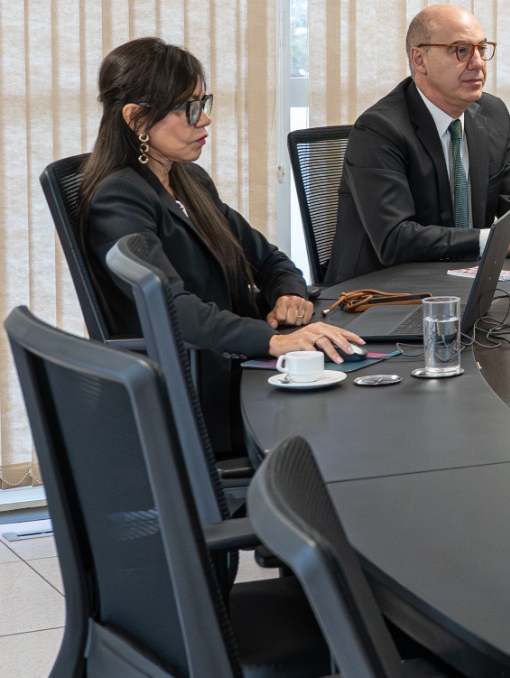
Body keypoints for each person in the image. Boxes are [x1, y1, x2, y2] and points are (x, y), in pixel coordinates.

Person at [81, 37, 362, 459]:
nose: (205, 118)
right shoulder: (118, 200)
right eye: (189, 108)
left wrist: (288, 293)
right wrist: (273, 341)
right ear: (137, 119)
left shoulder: (189, 181)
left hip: (232, 367)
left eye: (203, 102)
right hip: (195, 394)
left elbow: (269, 259)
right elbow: (172, 309)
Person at [325, 5, 510, 285]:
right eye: (461, 50)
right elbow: (395, 239)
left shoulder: (493, 114)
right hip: (381, 293)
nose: (478, 63)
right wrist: (494, 239)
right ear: (420, 59)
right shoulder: (379, 130)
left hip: (466, 284)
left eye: (481, 49)